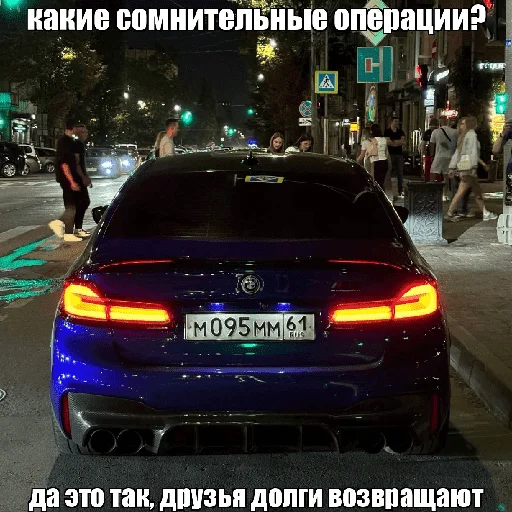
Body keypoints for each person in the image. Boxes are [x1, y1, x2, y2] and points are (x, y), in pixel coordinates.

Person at [445, 116, 498, 222]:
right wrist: (474, 166)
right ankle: (450, 213)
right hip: (469, 167)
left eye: (463, 123)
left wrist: (452, 167)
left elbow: (459, 153)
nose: (462, 126)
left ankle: (485, 212)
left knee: (474, 192)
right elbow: (473, 153)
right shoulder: (472, 134)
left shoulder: (464, 136)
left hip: (464, 165)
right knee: (464, 191)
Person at [48, 119, 84, 242]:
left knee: (73, 205)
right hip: (67, 179)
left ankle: (60, 224)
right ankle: (67, 233)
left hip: (67, 178)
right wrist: (71, 181)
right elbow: (64, 164)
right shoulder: (65, 142)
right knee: (71, 207)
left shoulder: (66, 141)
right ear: (73, 128)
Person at [72, 123, 92, 238]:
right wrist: (83, 177)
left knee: (82, 202)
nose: (85, 134)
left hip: (79, 177)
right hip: (77, 178)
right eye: (82, 132)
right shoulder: (77, 144)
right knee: (83, 202)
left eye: (86, 132)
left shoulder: (80, 144)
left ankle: (77, 227)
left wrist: (86, 176)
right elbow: (77, 162)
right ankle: (77, 228)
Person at [430, 116, 458, 200]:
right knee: (446, 176)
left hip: (439, 156)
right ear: (447, 121)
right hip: (450, 156)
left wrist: (431, 156)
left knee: (433, 173)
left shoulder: (436, 132)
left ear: (440, 122)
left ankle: (433, 193)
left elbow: (432, 144)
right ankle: (445, 195)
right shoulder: (454, 132)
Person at [357, 123, 389, 189]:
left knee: (374, 182)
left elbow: (363, 155)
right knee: (381, 182)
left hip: (375, 162)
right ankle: (382, 193)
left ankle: (376, 193)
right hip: (384, 162)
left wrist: (356, 161)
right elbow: (386, 152)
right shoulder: (384, 139)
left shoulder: (370, 141)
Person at [384, 117, 406, 197]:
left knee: (400, 173)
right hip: (390, 154)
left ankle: (401, 190)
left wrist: (393, 142)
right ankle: (388, 189)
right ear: (391, 122)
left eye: (397, 121)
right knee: (388, 172)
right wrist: (397, 142)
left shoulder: (400, 131)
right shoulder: (387, 131)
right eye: (395, 121)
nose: (397, 123)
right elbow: (387, 142)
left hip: (399, 154)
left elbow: (403, 142)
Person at [420, 118, 439, 182]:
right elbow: (423, 143)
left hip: (437, 154)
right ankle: (428, 181)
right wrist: (422, 153)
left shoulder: (439, 132)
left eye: (434, 125)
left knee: (435, 169)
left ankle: (435, 181)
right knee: (428, 169)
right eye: (431, 125)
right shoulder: (427, 132)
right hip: (430, 153)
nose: (433, 127)